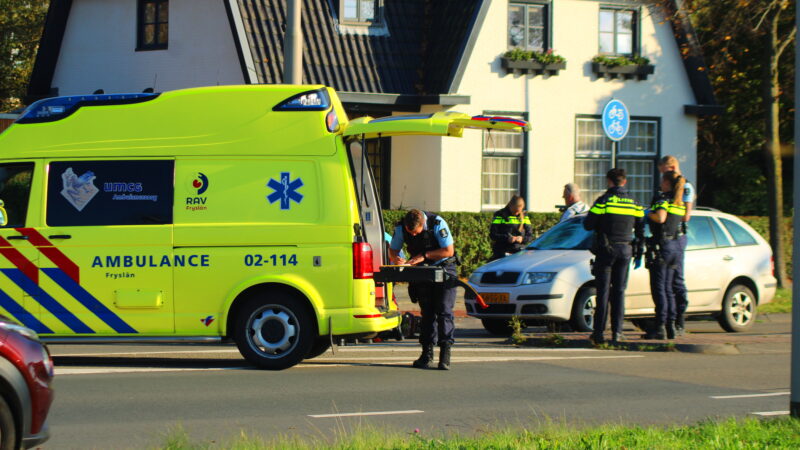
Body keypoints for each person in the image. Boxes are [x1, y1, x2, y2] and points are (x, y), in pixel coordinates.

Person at [389, 209, 457, 370]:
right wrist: (396, 259)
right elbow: (393, 250)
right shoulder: (401, 228)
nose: (413, 235)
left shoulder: (437, 224)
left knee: (444, 310)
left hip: (443, 268)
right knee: (427, 312)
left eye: (416, 232)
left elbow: (449, 251)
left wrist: (425, 255)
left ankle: (445, 355)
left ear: (423, 224)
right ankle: (426, 354)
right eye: (410, 232)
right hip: (422, 271)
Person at [583, 168, 644, 344]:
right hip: (625, 250)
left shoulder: (603, 201)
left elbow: (588, 225)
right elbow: (641, 228)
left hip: (606, 249)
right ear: (624, 181)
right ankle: (617, 332)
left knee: (603, 292)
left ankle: (599, 332)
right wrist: (638, 251)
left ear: (609, 181)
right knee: (619, 292)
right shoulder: (634, 203)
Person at [644, 171, 687, 340]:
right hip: (675, 246)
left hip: (663, 246)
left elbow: (661, 218)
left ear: (667, 183)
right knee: (669, 289)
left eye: (662, 181)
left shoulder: (663, 200)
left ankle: (660, 327)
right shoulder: (679, 203)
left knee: (659, 288)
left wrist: (647, 213)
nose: (660, 184)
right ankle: (671, 326)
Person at [658, 156, 695, 336]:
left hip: (676, 237)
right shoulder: (670, 189)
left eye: (664, 173)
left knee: (676, 280)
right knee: (668, 282)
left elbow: (686, 216)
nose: (662, 178)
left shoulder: (685, 187)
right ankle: (669, 322)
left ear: (671, 168)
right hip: (670, 237)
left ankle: (679, 320)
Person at [489, 195, 533, 260]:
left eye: (519, 211)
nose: (516, 213)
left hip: (520, 252)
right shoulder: (500, 215)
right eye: (515, 210)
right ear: (510, 206)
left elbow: (530, 236)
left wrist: (522, 239)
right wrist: (507, 238)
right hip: (502, 251)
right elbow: (493, 234)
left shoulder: (525, 216)